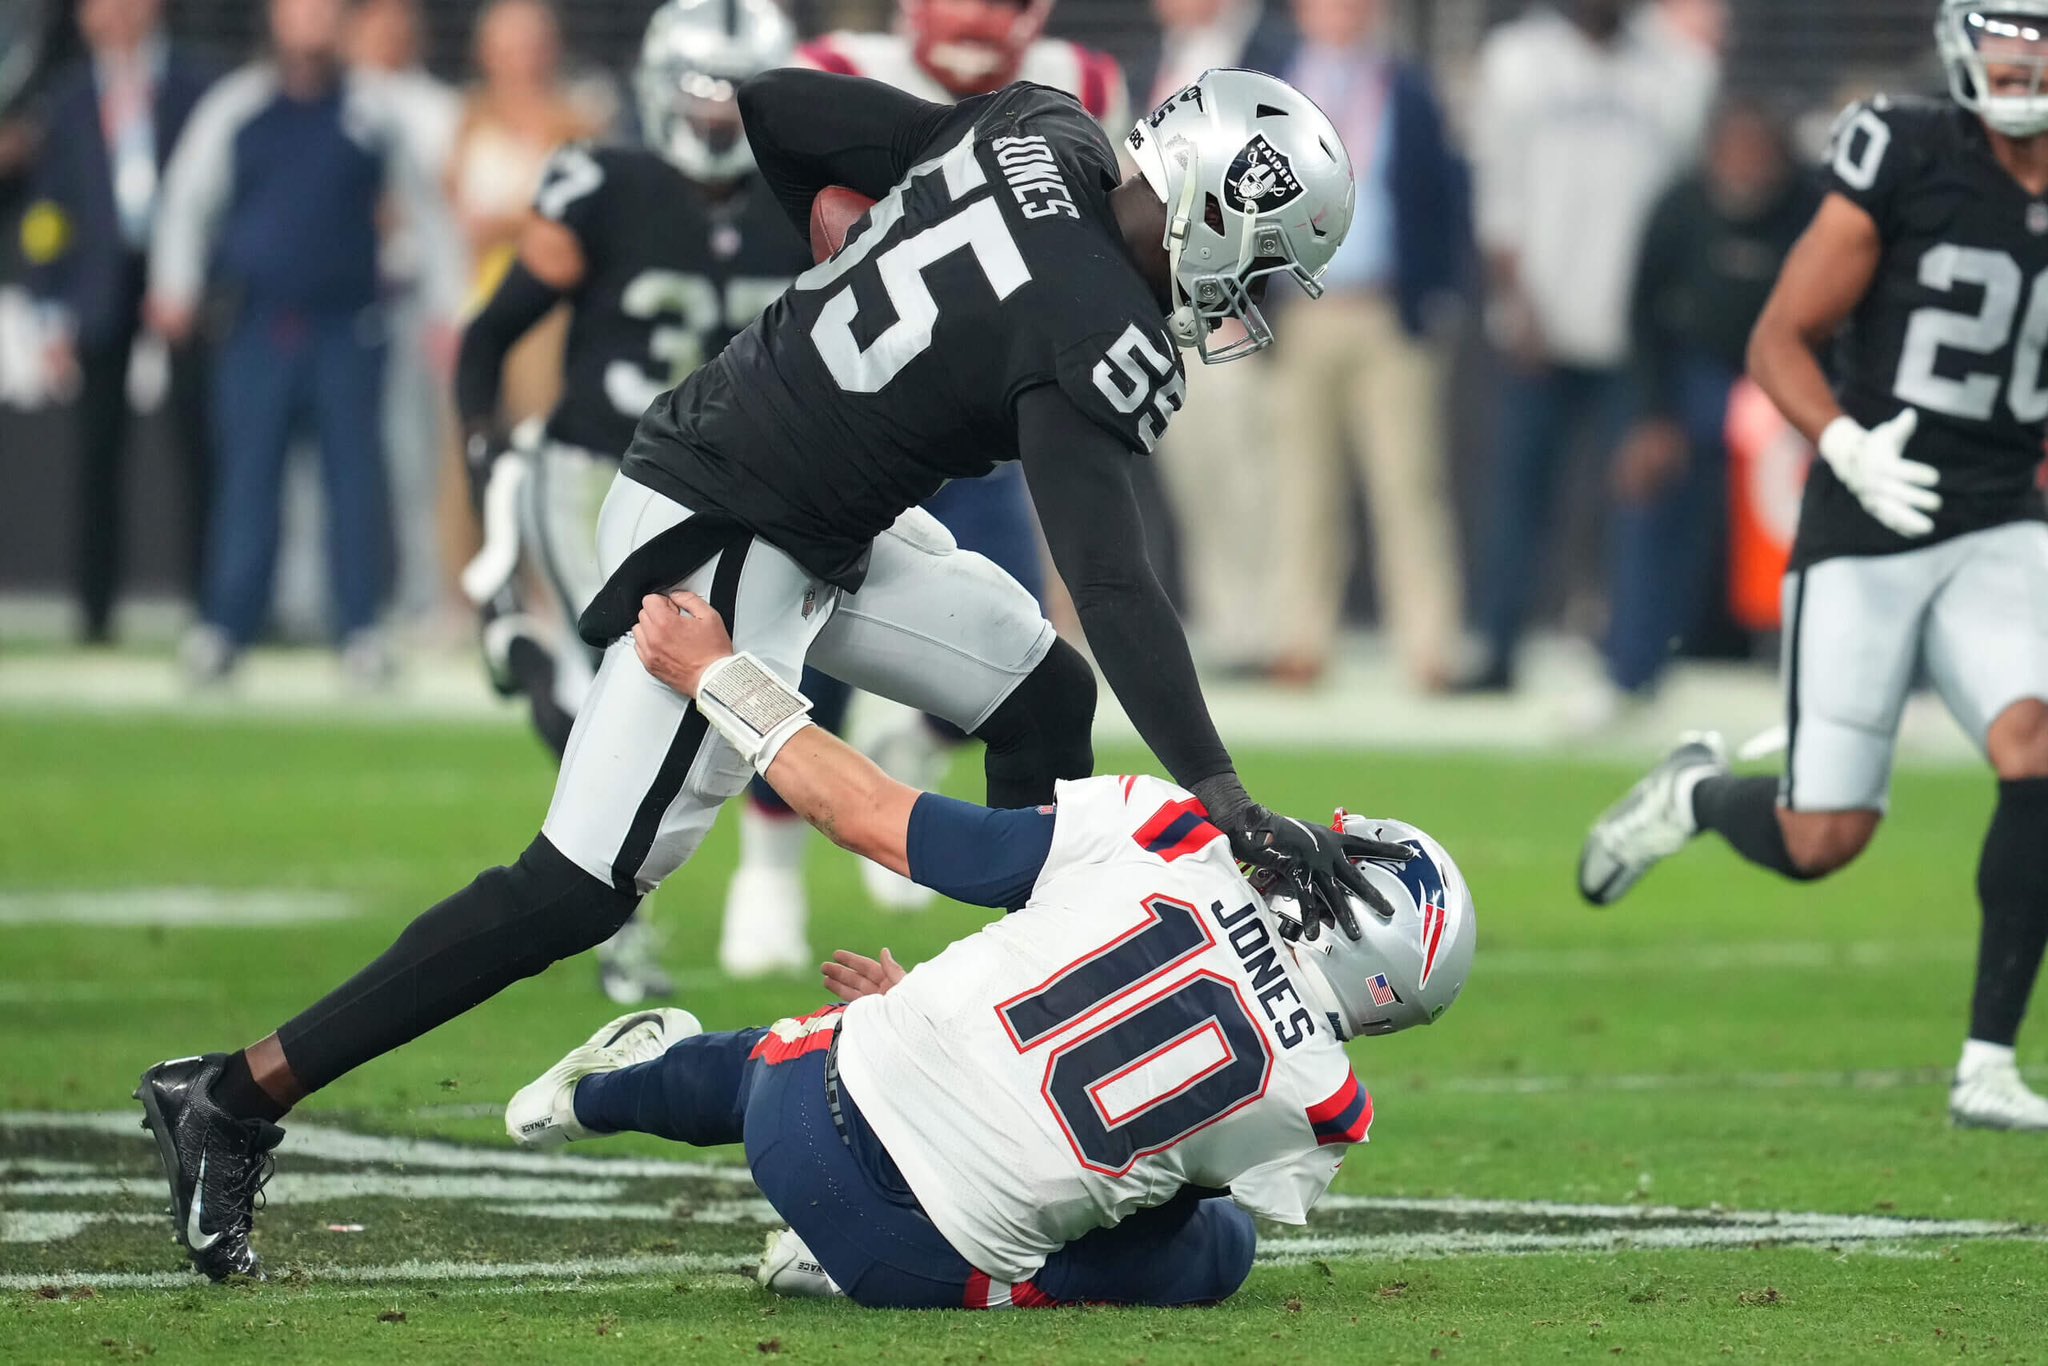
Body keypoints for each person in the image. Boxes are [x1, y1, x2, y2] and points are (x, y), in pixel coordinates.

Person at [134, 63, 1379, 1283]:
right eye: (1264, 264)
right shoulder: (1094, 328)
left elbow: (771, 103)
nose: (1252, 297)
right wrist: (1218, 792)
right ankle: (234, 1097)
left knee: (1040, 692)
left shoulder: (1040, 129)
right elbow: (1111, 582)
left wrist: (821, 224)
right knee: (573, 889)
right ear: (1218, 207)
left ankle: (996, 1043)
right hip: (725, 529)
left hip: (801, 498)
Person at [499, 585, 1475, 1309]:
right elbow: (1146, 1193)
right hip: (908, 1269)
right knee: (1215, 1244)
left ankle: (594, 1093)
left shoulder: (1167, 833)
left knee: (792, 1058)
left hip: (792, 1112)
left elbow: (867, 811)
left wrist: (718, 672)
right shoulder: (1323, 1103)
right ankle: (838, 1252)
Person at [1579, 1, 2048, 1132]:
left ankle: (1985, 1060)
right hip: (1868, 510)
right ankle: (1695, 794)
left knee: (2034, 744)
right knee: (1822, 837)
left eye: (2035, 40)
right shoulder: (1909, 150)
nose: (2015, 63)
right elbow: (1776, 337)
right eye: (2001, 39)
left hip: (1998, 516)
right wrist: (1843, 444)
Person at [715, 0, 1133, 960]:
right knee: (798, 645)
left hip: (981, 415)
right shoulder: (842, 61)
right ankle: (769, 870)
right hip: (856, 398)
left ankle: (910, 762)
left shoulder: (1085, 81)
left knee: (1018, 634)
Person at [454, 0, 812, 1003]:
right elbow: (488, 337)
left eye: (733, 107)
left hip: (735, 489)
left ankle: (531, 670)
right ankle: (614, 911)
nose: (712, 128)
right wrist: (486, 457)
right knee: (634, 677)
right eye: (700, 104)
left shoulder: (802, 204)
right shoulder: (601, 183)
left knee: (737, 691)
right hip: (595, 477)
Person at [149, 0, 460, 686]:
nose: (312, 19)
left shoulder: (373, 112)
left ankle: (360, 629)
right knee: (248, 482)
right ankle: (227, 625)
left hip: (348, 326)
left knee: (354, 483)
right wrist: (174, 284)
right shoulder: (238, 107)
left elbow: (427, 210)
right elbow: (188, 200)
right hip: (259, 325)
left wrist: (446, 304)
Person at [1461, 0, 1716, 698]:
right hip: (1540, 322)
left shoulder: (1680, 66)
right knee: (1518, 500)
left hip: (1639, 333)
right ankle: (1499, 647)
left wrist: (1664, 323)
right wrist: (1518, 308)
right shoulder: (1516, 58)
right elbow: (1498, 196)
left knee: (1640, 505)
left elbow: (1686, 208)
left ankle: (1632, 663)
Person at [1263, 0, 1471, 693]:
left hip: (1385, 310)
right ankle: (1300, 636)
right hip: (1303, 310)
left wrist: (1436, 294)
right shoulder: (1275, 84)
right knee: (1301, 486)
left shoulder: (1405, 86)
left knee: (1408, 484)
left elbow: (1443, 194)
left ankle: (1429, 644)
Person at [18, 0, 214, 643]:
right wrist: (50, 304)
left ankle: (212, 605)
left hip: (179, 280)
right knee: (98, 453)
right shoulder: (71, 96)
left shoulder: (193, 85)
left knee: (200, 446)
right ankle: (95, 610)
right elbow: (50, 208)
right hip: (101, 284)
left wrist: (195, 278)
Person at [1608, 100, 1818, 697]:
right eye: (1733, 153)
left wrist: (1819, 402)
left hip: (1787, 377)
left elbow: (1843, 307)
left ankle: (1813, 674)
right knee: (1652, 498)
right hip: (1696, 378)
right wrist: (1652, 415)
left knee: (1820, 522)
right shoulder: (1678, 207)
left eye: (1759, 154)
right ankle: (1631, 670)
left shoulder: (1814, 212)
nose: (1745, 168)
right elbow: (1642, 315)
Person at [1125, 0, 1296, 681]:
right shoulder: (1153, 63)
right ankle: (1229, 629)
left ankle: (1271, 629)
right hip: (1167, 307)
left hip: (1237, 305)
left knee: (1255, 478)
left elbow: (1291, 183)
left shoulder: (1271, 52)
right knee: (1194, 477)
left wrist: (1251, 289)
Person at [347, 0, 463, 632]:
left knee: (417, 458)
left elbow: (446, 222)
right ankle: (313, 598)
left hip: (417, 297)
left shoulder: (438, 109)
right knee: (328, 462)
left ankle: (425, 593)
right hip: (340, 300)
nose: (389, 33)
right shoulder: (335, 100)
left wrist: (449, 305)